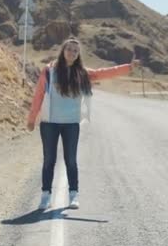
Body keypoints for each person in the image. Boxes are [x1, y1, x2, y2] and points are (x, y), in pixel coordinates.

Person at [27, 37, 139, 210]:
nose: (71, 53)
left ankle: (73, 195)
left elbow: (105, 72)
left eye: (75, 51)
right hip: (49, 123)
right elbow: (39, 95)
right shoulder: (49, 71)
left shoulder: (82, 73)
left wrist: (127, 68)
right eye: (69, 49)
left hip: (71, 123)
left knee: (70, 160)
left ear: (78, 54)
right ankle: (45, 196)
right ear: (63, 50)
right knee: (49, 160)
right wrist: (32, 118)